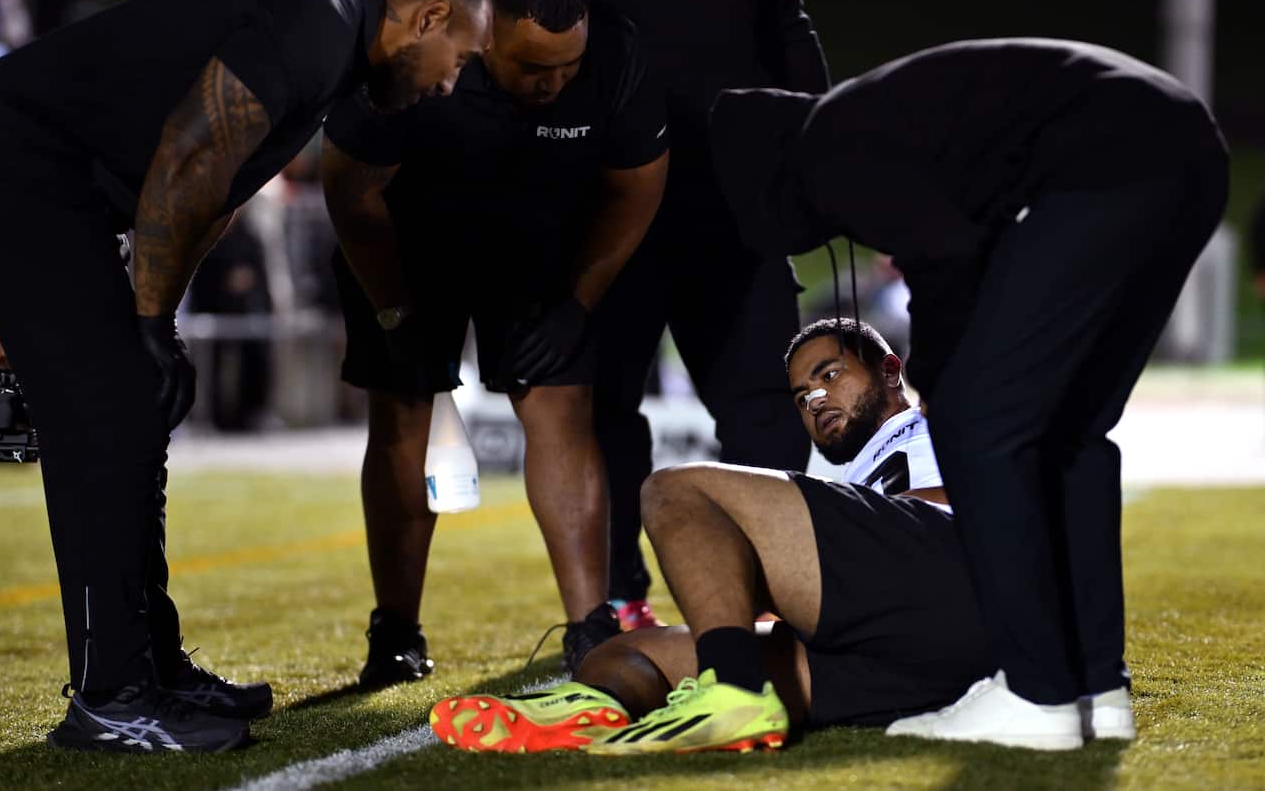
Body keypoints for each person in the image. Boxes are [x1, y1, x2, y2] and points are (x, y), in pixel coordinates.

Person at [0, 0, 490, 753]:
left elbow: (208, 197)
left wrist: (161, 328)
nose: (448, 83)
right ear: (428, 17)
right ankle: (111, 697)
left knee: (135, 406)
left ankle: (148, 664)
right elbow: (189, 159)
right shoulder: (315, 18)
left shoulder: (329, 47)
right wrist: (147, 329)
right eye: (458, 58)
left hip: (49, 184)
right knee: (110, 411)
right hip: (17, 170)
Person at [705, 38, 1228, 749]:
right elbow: (958, 250)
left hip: (1109, 160)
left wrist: (948, 388)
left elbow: (950, 260)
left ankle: (1037, 694)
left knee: (980, 427)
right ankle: (1094, 687)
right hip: (1187, 152)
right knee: (1070, 435)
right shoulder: (872, 119)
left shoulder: (830, 148)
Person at [446, 0, 827, 631]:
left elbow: (784, 18)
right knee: (605, 412)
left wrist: (812, 134)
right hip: (598, 202)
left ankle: (768, 598)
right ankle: (620, 596)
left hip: (728, 195)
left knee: (764, 405)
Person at [322, 0, 668, 683]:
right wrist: (392, 306)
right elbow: (350, 188)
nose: (555, 83)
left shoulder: (616, 52)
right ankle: (395, 632)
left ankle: (590, 624)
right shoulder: (425, 53)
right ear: (486, 36)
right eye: (534, 68)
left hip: (539, 245)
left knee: (561, 408)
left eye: (568, 69)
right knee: (403, 415)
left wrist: (579, 301)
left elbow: (635, 190)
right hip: (408, 240)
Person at [429, 318, 1006, 753]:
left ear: (889, 370)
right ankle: (592, 705)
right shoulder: (848, 477)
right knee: (629, 651)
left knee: (675, 490)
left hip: (962, 592)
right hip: (901, 662)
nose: (816, 400)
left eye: (829, 375)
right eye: (802, 396)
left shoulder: (936, 418)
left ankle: (735, 693)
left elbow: (976, 508)